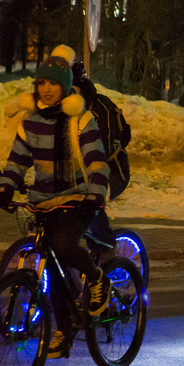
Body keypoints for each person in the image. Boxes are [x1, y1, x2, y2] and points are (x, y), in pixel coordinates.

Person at [0, 55, 111, 359]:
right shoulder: (29, 121)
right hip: (45, 201)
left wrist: (96, 193)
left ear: (65, 87)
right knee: (53, 269)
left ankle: (98, 280)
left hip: (80, 198)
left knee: (63, 244)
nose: (46, 89)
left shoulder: (80, 119)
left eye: (54, 83)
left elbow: (97, 161)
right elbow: (17, 161)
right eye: (41, 82)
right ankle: (64, 329)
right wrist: (4, 189)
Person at [51, 45, 118, 260]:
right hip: (72, 170)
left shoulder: (94, 107)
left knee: (90, 204)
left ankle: (106, 248)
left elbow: (100, 149)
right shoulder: (54, 103)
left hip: (102, 166)